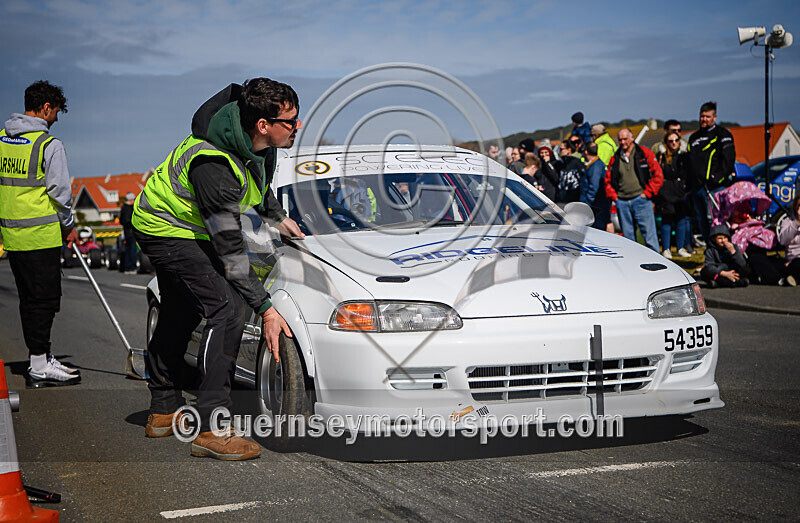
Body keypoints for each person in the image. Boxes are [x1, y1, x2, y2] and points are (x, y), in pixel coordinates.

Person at [132, 78, 305, 460]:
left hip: (193, 228)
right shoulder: (213, 163)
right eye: (291, 121)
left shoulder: (258, 144)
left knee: (182, 309)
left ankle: (163, 408)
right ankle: (212, 427)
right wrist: (266, 308)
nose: (298, 126)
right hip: (163, 227)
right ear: (263, 125)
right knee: (226, 309)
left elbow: (258, 184)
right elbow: (231, 254)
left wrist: (277, 218)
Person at [0, 80, 80, 388]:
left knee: (29, 300)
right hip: (41, 236)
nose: (56, 118)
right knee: (45, 301)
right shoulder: (49, 145)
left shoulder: (2, 140)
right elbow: (60, 193)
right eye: (56, 111)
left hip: (14, 237)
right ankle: (39, 365)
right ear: (46, 108)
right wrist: (69, 226)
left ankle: (41, 357)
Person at [604, 128, 663, 252]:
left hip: (641, 200)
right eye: (620, 140)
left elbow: (658, 175)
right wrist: (615, 197)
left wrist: (647, 193)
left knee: (650, 237)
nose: (622, 142)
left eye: (625, 139)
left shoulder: (644, 153)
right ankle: (633, 261)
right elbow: (607, 180)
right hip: (622, 202)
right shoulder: (615, 158)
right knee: (628, 240)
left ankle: (656, 261)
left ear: (632, 138)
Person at [687, 101, 736, 243]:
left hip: (715, 188)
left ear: (714, 117)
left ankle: (721, 251)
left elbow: (729, 161)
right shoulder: (694, 137)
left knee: (714, 220)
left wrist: (717, 178)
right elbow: (689, 162)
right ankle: (709, 251)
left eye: (707, 116)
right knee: (702, 220)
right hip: (697, 188)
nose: (704, 119)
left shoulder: (723, 134)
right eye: (702, 116)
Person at [654, 132, 692, 259]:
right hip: (666, 192)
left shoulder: (684, 156)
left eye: (676, 140)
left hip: (680, 191)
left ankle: (681, 247)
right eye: (671, 141)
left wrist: (686, 188)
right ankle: (666, 249)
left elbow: (688, 173)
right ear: (666, 143)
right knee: (666, 220)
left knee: (681, 219)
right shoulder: (661, 157)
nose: (674, 143)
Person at [580, 142, 609, 230]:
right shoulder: (594, 164)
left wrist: (588, 203)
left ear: (586, 152)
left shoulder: (595, 166)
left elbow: (594, 186)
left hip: (595, 204)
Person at [777, 192, 800, 286]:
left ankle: (793, 279)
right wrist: (797, 222)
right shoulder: (787, 222)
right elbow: (783, 241)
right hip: (793, 260)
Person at [557, 139, 584, 204]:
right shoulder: (560, 163)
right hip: (562, 200)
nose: (559, 151)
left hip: (574, 199)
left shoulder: (577, 163)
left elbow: (582, 180)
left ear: (569, 150)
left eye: (561, 149)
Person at [118, 192, 138, 273]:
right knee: (132, 250)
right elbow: (127, 220)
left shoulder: (123, 208)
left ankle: (127, 267)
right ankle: (131, 267)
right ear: (131, 200)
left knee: (127, 250)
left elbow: (121, 220)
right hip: (130, 232)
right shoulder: (128, 208)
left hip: (126, 232)